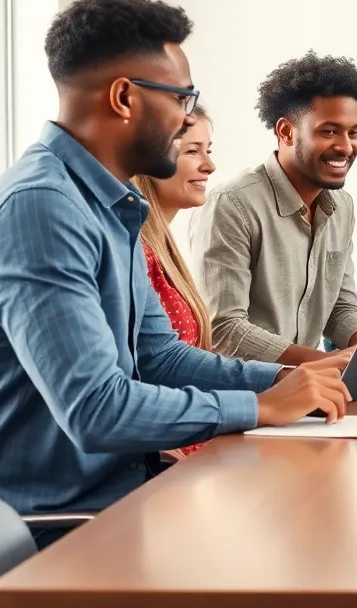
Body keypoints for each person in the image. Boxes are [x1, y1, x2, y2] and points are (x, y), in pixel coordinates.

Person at [0, 0, 357, 546]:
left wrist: (285, 381)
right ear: (124, 98)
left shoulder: (107, 203)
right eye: (181, 97)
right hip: (17, 526)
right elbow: (95, 409)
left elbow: (159, 355)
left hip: (102, 491)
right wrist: (259, 406)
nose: (187, 118)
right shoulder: (40, 210)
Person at [190, 52, 357, 368]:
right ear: (286, 132)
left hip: (311, 383)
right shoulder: (231, 204)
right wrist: (323, 363)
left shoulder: (342, 206)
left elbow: (339, 308)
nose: (346, 146)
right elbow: (223, 330)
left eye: (353, 132)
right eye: (329, 131)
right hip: (247, 389)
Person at [130, 106, 219, 459]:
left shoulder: (162, 246)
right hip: (167, 455)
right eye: (193, 151)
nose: (210, 165)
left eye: (208, 150)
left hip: (193, 443)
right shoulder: (137, 251)